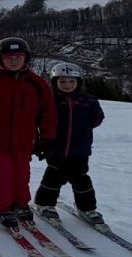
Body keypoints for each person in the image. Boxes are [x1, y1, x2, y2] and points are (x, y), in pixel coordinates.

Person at [0, 36, 57, 228]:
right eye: (9, 57)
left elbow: (48, 113)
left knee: (22, 173)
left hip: (24, 140)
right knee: (1, 173)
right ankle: (3, 207)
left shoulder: (36, 84)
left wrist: (47, 138)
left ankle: (20, 203)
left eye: (18, 57)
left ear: (25, 58)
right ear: (0, 59)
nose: (14, 61)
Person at [33, 62, 105, 222]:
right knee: (53, 177)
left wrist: (83, 129)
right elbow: (40, 118)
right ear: (55, 82)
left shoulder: (88, 100)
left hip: (80, 149)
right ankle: (44, 204)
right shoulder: (50, 100)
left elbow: (97, 118)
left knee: (81, 179)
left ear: (78, 82)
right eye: (63, 81)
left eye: (72, 81)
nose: (67, 85)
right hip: (56, 148)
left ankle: (87, 208)